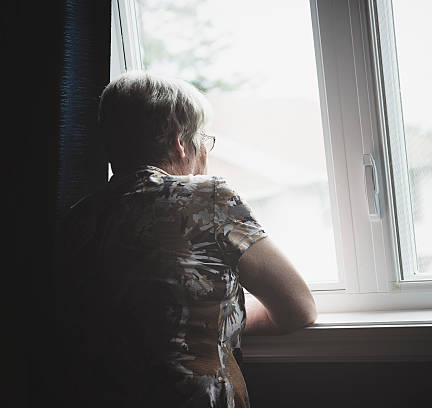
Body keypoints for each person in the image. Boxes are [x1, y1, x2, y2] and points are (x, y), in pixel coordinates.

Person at [55, 71, 317, 408]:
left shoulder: (77, 219)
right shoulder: (209, 198)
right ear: (181, 141)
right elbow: (299, 308)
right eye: (203, 138)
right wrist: (212, 321)